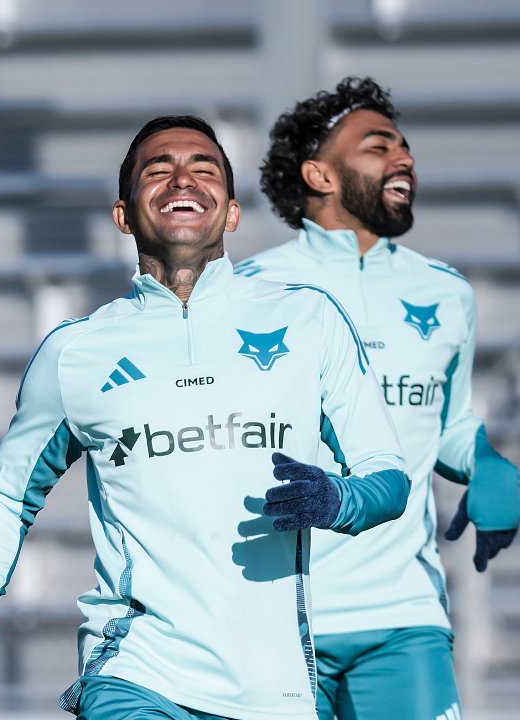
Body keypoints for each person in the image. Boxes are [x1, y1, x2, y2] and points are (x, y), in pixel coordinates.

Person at [0, 115, 412, 720]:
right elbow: (6, 496)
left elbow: (389, 477)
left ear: (232, 212)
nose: (182, 179)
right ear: (124, 215)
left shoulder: (311, 321)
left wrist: (339, 500)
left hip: (275, 691)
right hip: (135, 675)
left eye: (203, 168)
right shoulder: (74, 352)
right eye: (158, 171)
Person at [235, 77, 520, 720]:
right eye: (378, 145)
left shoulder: (448, 293)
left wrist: (483, 459)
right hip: (274, 619)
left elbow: (446, 422)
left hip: (404, 618)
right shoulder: (247, 294)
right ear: (320, 174)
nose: (405, 159)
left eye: (406, 146)